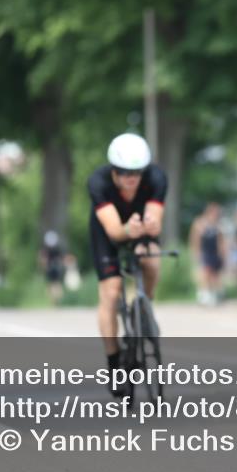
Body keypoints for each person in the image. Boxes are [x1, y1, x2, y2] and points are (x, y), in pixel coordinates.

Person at [87, 132, 166, 397]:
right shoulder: (98, 183)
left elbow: (155, 219)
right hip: (109, 232)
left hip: (139, 229)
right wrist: (128, 230)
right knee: (110, 291)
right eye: (123, 173)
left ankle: (143, 307)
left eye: (136, 173)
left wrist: (151, 226)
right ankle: (113, 362)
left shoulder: (156, 179)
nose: (131, 179)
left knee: (152, 260)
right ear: (113, 171)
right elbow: (113, 232)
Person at [189, 202, 227, 306]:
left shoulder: (218, 225)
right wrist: (196, 252)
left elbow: (221, 240)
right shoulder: (200, 223)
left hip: (215, 252)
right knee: (205, 273)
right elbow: (195, 239)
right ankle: (204, 295)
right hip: (205, 251)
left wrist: (223, 253)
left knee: (215, 275)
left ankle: (215, 294)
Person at [39, 230, 65, 304]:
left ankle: (54, 299)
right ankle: (56, 299)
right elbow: (60, 259)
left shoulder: (46, 249)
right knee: (55, 283)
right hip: (55, 267)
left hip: (51, 267)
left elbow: (44, 259)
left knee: (52, 284)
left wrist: (44, 266)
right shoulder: (56, 248)